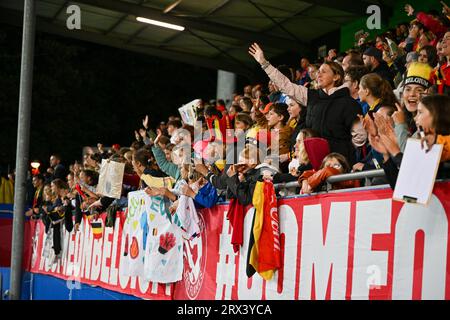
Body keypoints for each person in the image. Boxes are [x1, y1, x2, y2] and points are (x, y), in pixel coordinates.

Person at [249, 42, 362, 165]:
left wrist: (343, 153)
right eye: (318, 71)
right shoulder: (311, 96)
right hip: (311, 162)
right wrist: (264, 63)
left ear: (336, 77)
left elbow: (359, 138)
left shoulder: (349, 104)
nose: (318, 74)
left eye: (323, 71)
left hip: (338, 164)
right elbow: (286, 85)